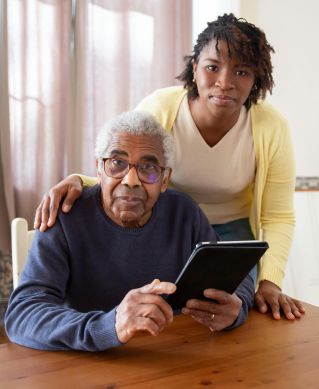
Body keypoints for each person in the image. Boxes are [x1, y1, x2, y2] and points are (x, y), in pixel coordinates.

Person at [33, 14, 305, 321]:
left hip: (233, 233)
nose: (225, 82)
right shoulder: (162, 108)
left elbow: (278, 215)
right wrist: (79, 180)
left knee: (229, 316)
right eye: (212, 67)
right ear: (195, 67)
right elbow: (127, 163)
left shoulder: (271, 126)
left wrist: (269, 282)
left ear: (256, 78)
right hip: (171, 226)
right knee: (167, 311)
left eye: (241, 71)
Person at [5, 111, 254, 351]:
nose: (131, 180)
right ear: (99, 170)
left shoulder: (184, 212)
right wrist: (109, 326)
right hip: (89, 363)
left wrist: (236, 309)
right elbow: (23, 315)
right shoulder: (65, 216)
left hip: (175, 356)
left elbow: (236, 277)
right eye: (117, 163)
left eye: (148, 168)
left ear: (165, 179)